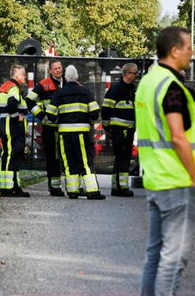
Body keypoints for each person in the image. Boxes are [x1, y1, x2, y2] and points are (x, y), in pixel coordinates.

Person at [134, 27, 195, 296]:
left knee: (154, 254)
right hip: (177, 180)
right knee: (173, 258)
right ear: (175, 50)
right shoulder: (172, 87)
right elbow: (178, 134)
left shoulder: (148, 82)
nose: (192, 53)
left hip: (156, 178)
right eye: (189, 47)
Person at [48, 65, 105, 200]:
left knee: (69, 162)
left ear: (65, 78)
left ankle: (73, 191)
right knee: (85, 162)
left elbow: (50, 115)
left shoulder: (58, 93)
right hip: (82, 132)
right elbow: (95, 114)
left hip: (64, 134)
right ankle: (92, 192)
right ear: (77, 77)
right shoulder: (85, 92)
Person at [26, 59, 64, 196]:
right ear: (50, 71)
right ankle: (54, 187)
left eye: (60, 68)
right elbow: (29, 100)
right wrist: (41, 115)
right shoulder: (44, 84)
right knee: (53, 157)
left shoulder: (67, 83)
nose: (58, 70)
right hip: (50, 127)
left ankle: (73, 186)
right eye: (55, 69)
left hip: (66, 126)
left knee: (66, 156)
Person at [0, 65, 30, 197]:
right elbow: (12, 103)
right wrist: (16, 117)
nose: (25, 77)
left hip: (6, 123)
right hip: (11, 125)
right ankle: (8, 189)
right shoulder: (13, 88)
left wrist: (3, 114)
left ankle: (14, 186)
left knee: (10, 154)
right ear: (17, 75)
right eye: (23, 74)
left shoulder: (4, 87)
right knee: (10, 154)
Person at [102, 62, 138, 197]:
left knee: (123, 158)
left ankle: (116, 186)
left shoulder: (131, 89)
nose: (136, 75)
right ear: (127, 74)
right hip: (119, 130)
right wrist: (107, 127)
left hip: (128, 129)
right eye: (134, 73)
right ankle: (122, 187)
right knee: (122, 158)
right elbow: (106, 108)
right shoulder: (116, 89)